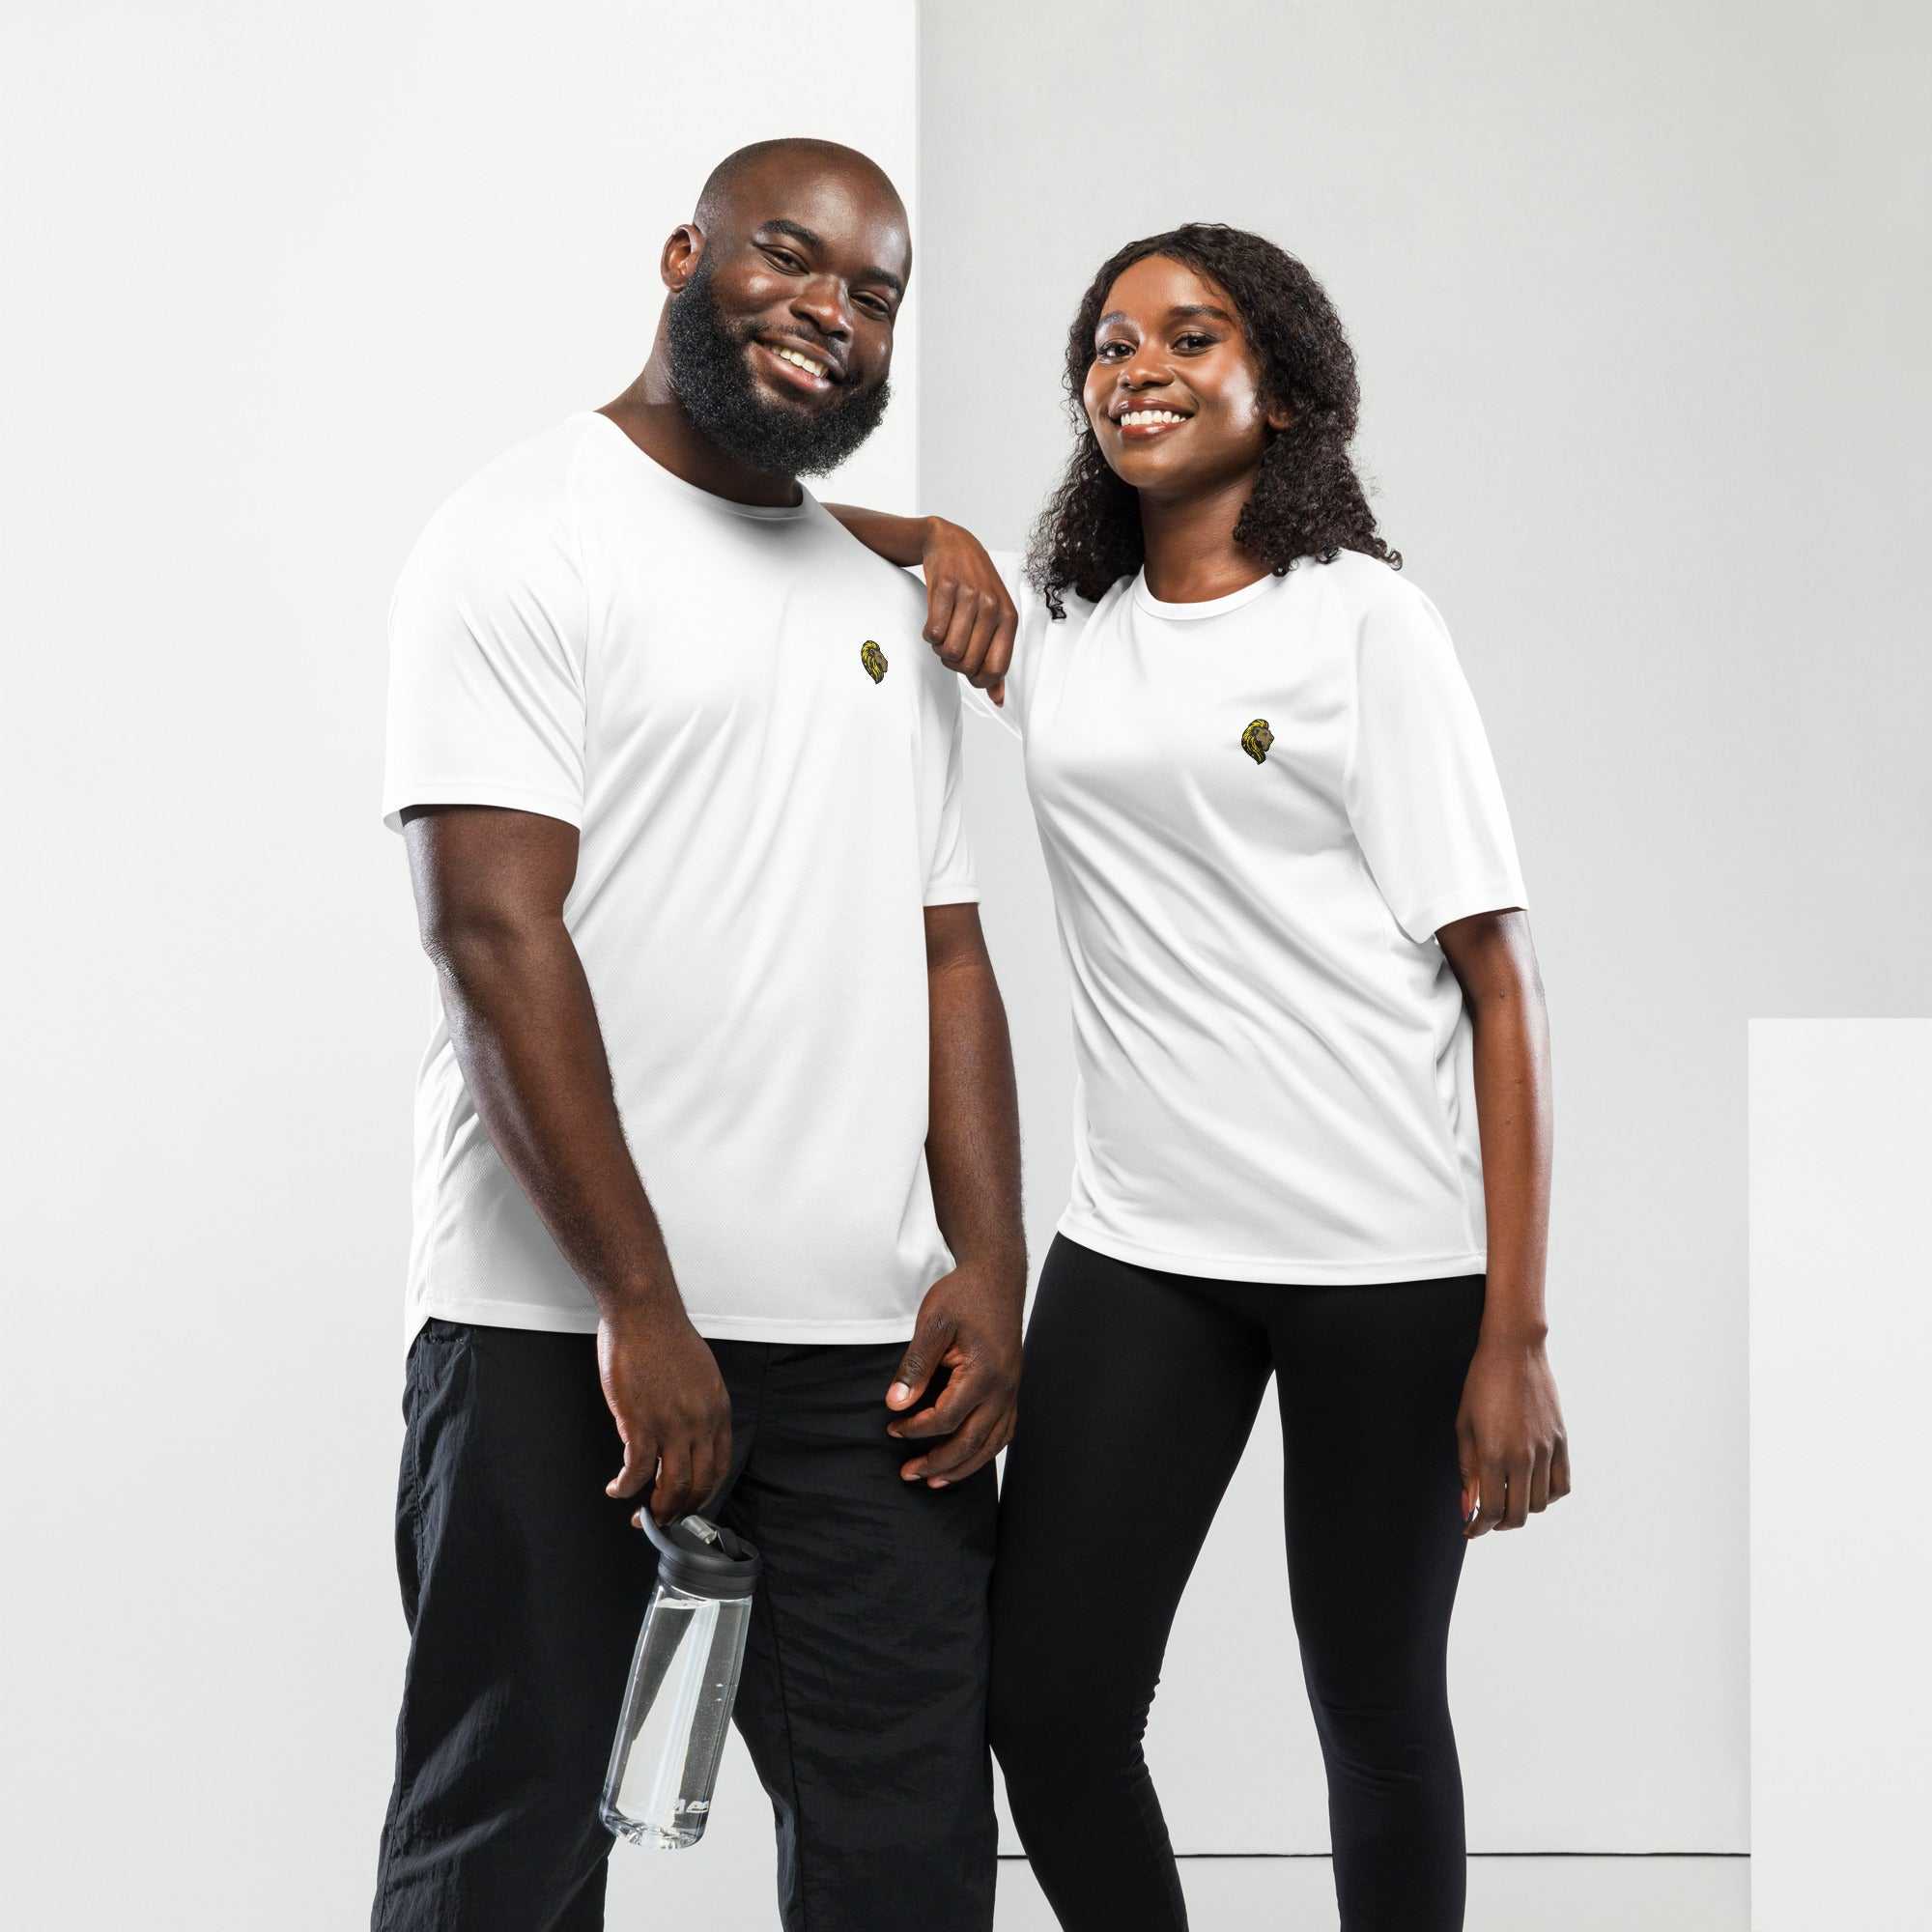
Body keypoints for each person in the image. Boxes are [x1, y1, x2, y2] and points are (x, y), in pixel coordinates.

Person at [829, 221, 1571, 1932]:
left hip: (1382, 1263)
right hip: (1147, 1251)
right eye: (1106, 342)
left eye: (1189, 334)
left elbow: (1503, 983)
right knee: (1052, 1707)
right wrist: (925, 531)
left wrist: (1514, 1336)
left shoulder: (1365, 626)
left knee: (1375, 1720)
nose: (1135, 364)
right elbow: (809, 554)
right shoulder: (1075, 636)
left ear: (1286, 392)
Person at [370, 138, 1025, 1932]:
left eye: (875, 293)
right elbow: (491, 939)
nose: (832, 310)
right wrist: (639, 1309)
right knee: (500, 1847)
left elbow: (948, 954)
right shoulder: (518, 536)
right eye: (791, 259)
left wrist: (990, 1259)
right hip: (554, 1338)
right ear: (685, 254)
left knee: (907, 1864)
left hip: (866, 1360)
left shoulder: (890, 600)